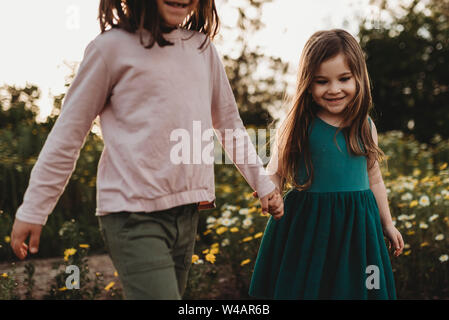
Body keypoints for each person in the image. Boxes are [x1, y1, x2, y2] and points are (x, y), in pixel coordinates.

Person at [10, 0, 283, 299]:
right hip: (132, 214)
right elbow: (67, 135)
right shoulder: (110, 49)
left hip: (186, 212)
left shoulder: (202, 49)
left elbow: (229, 123)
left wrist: (263, 182)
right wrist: (34, 209)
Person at [249, 29, 404, 300]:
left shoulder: (365, 126)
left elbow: (374, 178)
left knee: (359, 287)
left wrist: (387, 224)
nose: (334, 89)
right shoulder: (297, 125)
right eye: (322, 81)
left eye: (344, 79)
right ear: (308, 83)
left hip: (357, 231)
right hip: (308, 231)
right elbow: (276, 171)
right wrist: (269, 190)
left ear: (359, 78)